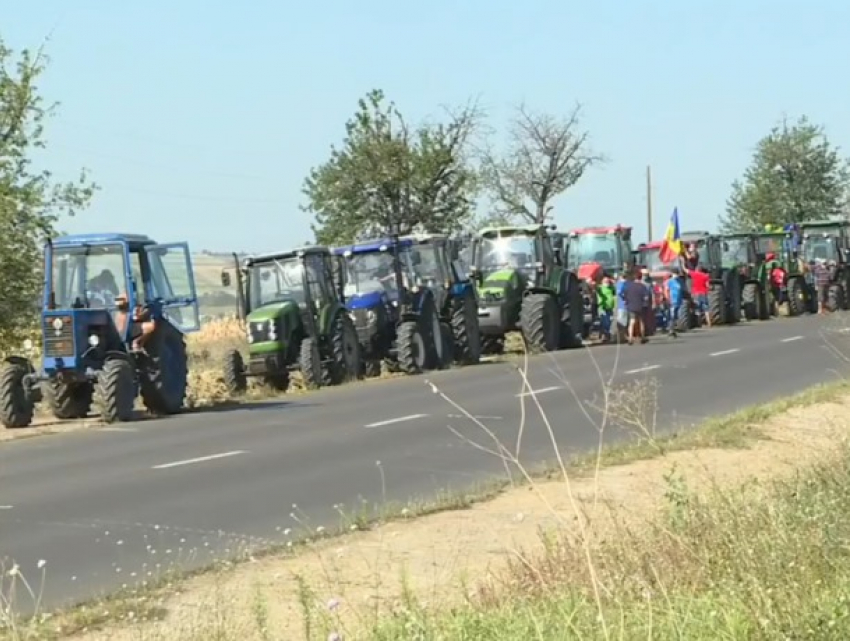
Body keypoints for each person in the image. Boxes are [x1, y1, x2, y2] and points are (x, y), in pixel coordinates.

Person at [620, 269, 649, 345]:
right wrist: (645, 303)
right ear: (641, 277)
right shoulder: (642, 286)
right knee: (641, 321)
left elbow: (622, 295)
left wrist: (626, 300)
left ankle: (630, 338)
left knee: (631, 322)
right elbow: (646, 297)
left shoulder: (628, 286)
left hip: (631, 305)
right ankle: (642, 337)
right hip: (640, 306)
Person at [665, 268, 684, 337]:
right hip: (672, 300)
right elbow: (666, 290)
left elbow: (683, 290)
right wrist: (668, 299)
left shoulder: (680, 281)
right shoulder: (669, 281)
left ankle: (673, 329)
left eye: (677, 274)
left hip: (679, 300)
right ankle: (671, 330)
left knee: (676, 316)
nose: (676, 275)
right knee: (672, 316)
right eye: (675, 274)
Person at [597, 276, 616, 342]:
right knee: (605, 322)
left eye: (608, 281)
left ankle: (604, 335)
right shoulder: (600, 288)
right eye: (605, 281)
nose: (607, 283)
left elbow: (615, 291)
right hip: (602, 307)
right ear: (602, 282)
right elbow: (592, 288)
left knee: (609, 322)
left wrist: (613, 282)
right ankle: (605, 336)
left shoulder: (611, 288)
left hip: (610, 307)